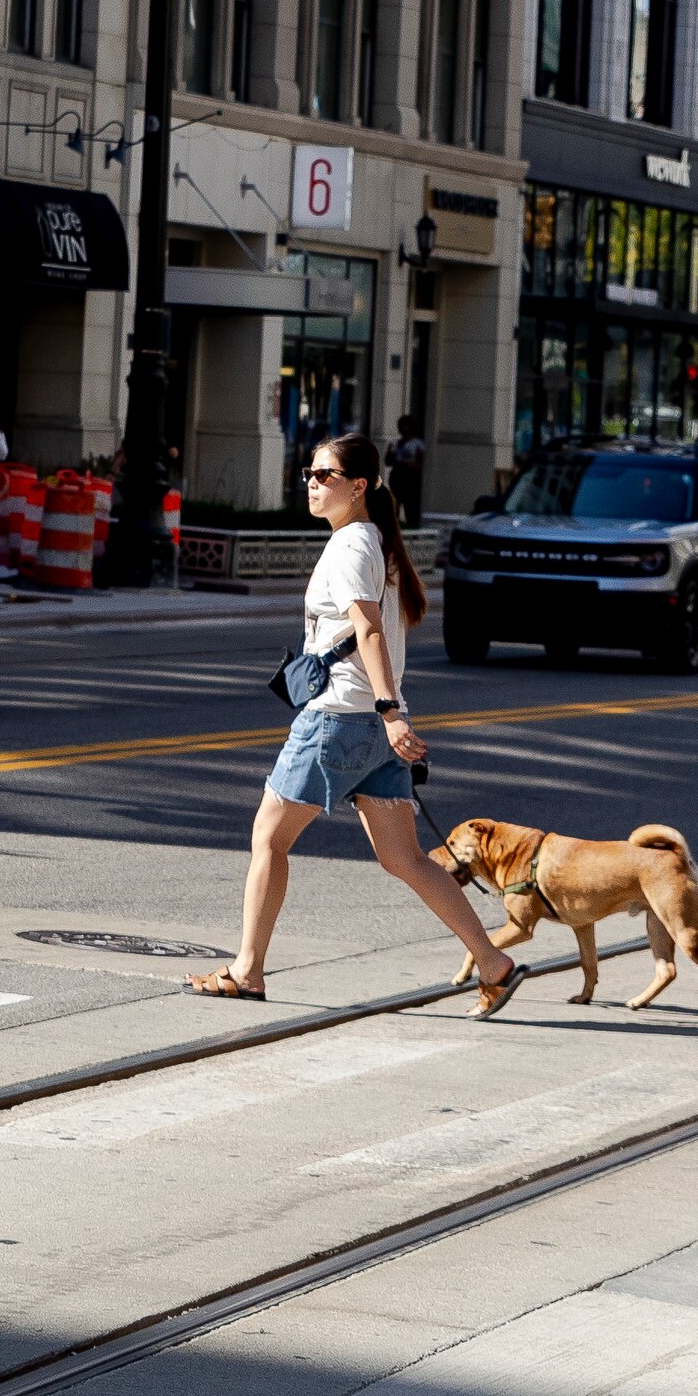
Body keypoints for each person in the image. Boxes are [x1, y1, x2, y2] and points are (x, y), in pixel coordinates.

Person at [190, 431, 521, 1012]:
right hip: (371, 729)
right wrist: (392, 718)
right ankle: (493, 963)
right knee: (405, 859)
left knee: (268, 838)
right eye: (308, 474)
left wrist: (390, 712)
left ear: (358, 485)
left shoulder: (350, 547)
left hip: (341, 721)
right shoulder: (375, 541)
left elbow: (368, 631)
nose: (312, 484)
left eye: (324, 475)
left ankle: (248, 970)